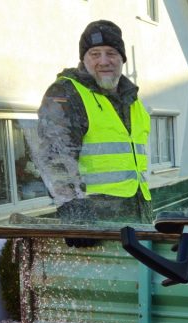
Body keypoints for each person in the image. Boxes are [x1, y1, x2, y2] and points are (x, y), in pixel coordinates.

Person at [33, 20, 152, 247]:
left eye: (111, 53)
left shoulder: (132, 100)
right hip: (96, 226)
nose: (104, 61)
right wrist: (75, 214)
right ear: (84, 59)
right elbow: (54, 157)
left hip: (137, 220)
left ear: (122, 59)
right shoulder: (66, 93)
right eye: (95, 54)